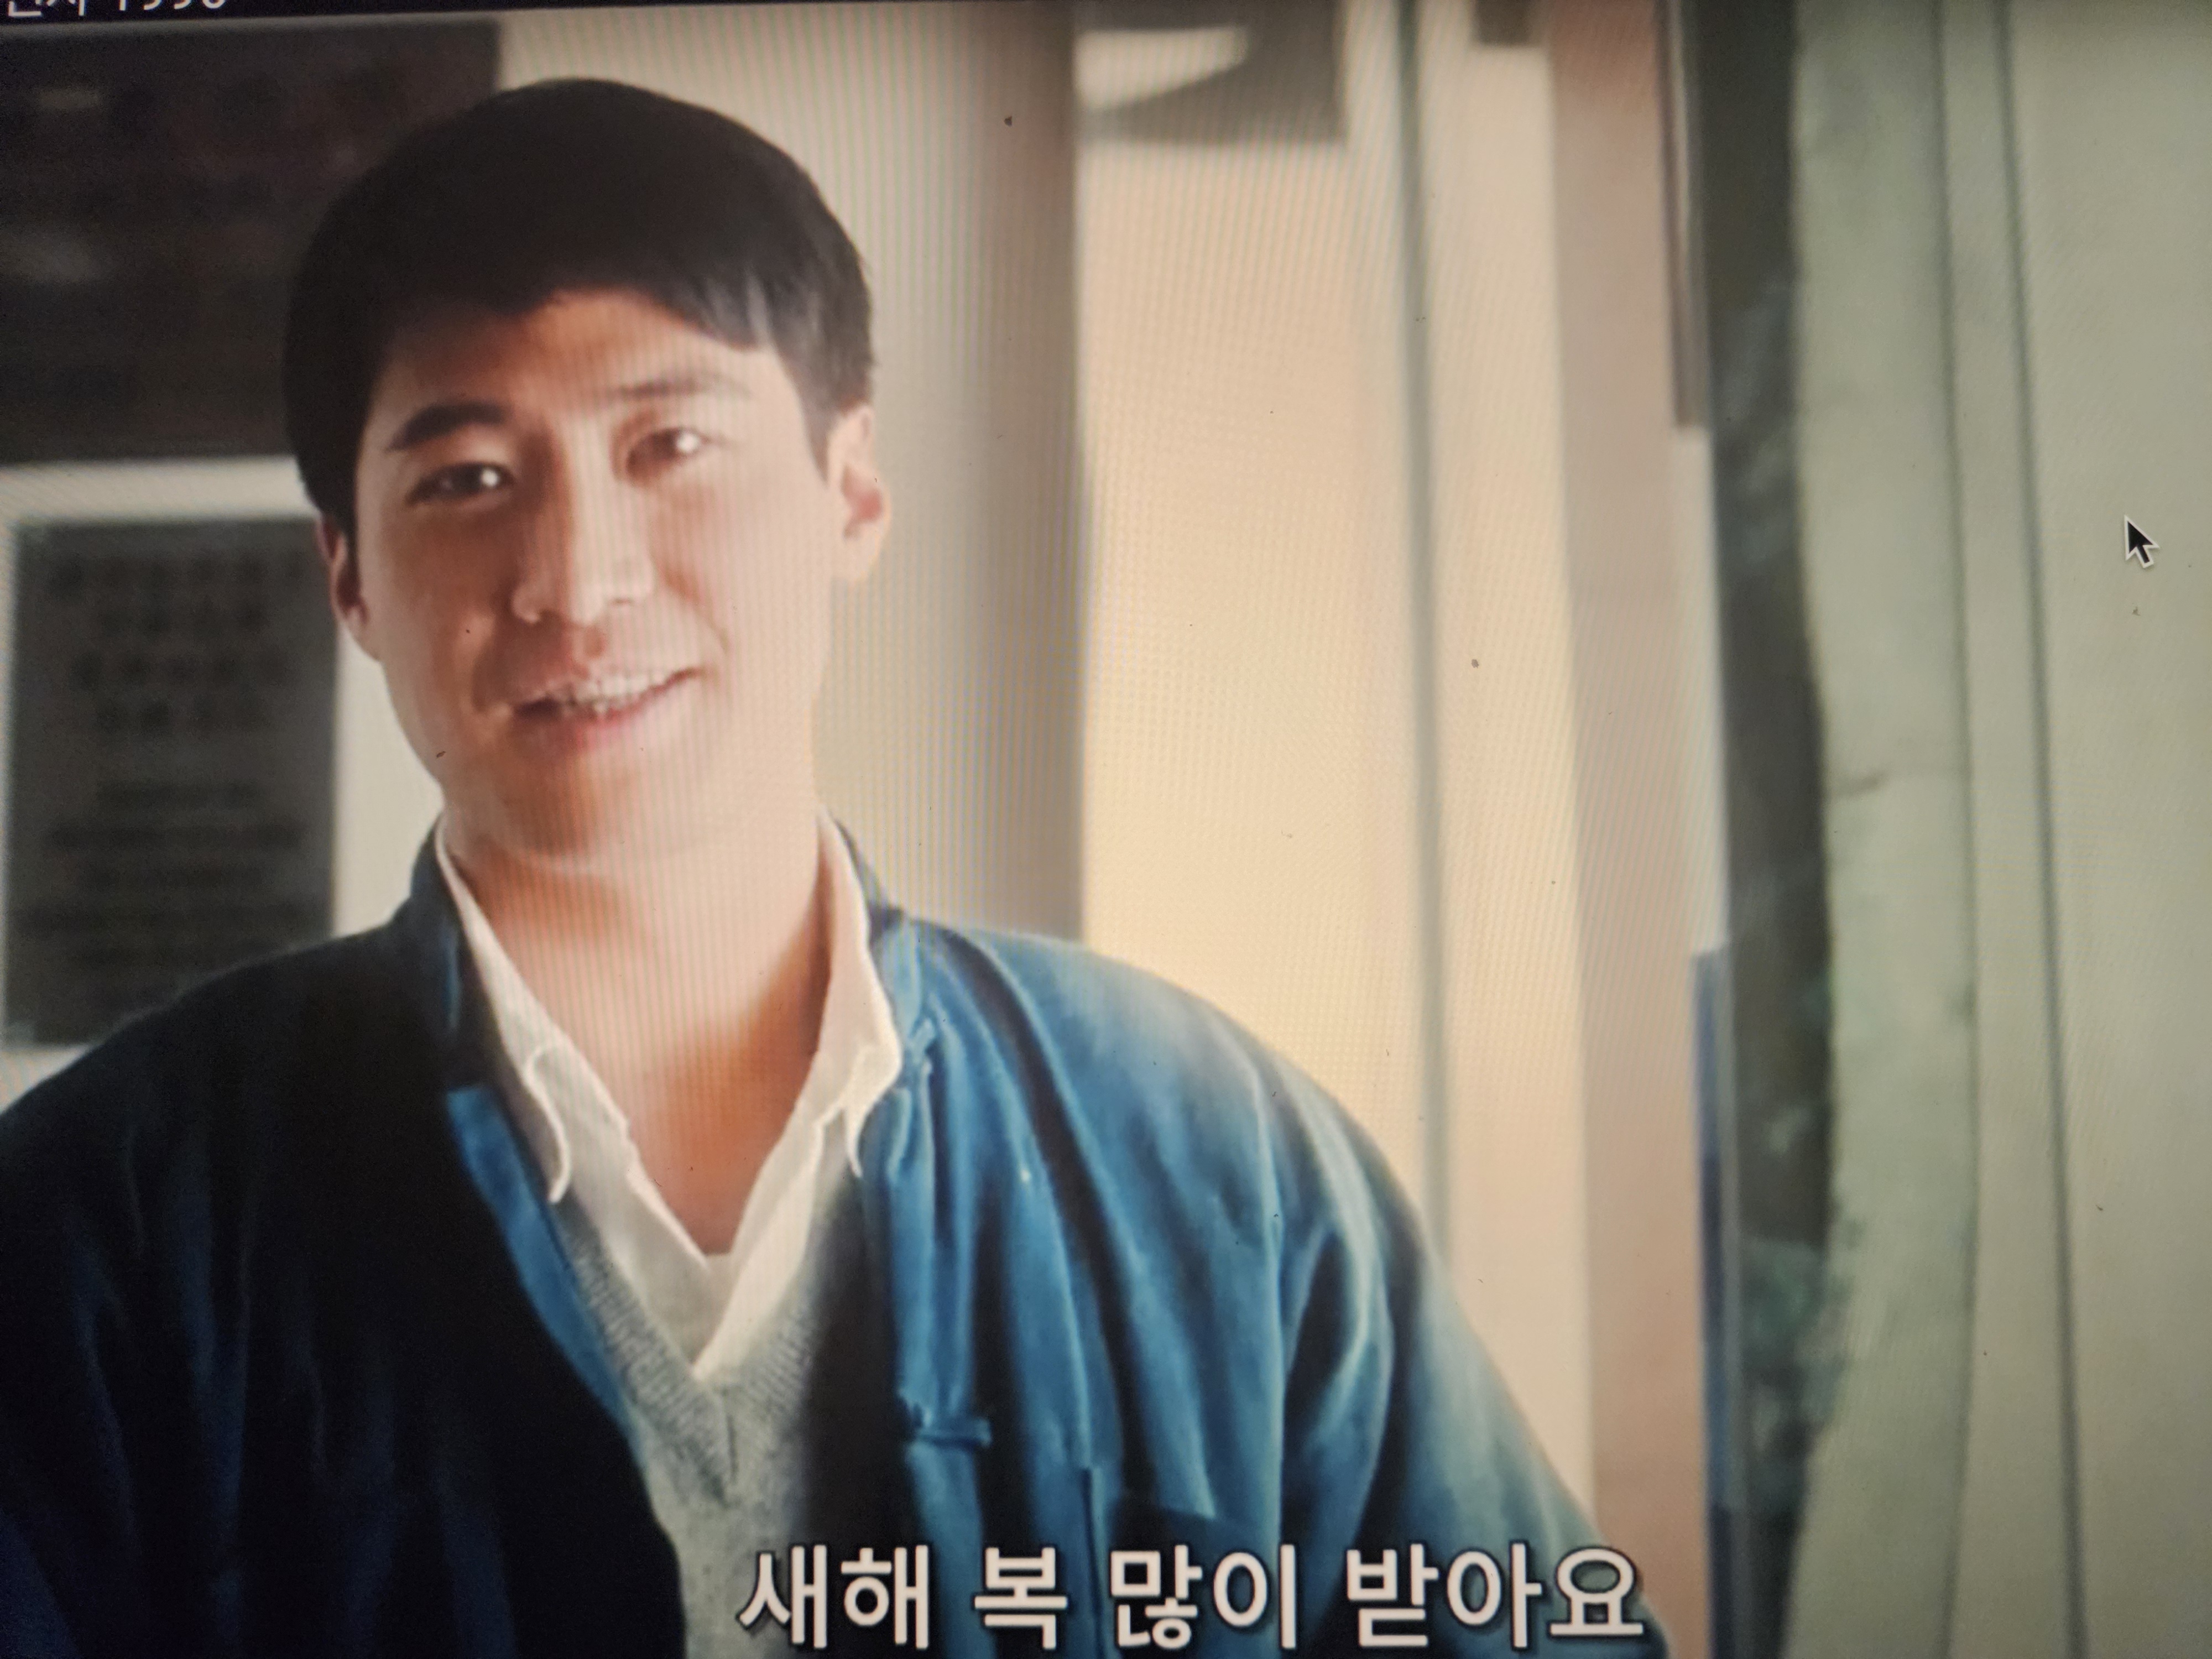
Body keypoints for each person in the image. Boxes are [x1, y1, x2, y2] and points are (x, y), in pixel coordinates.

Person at [0, 80, 1662, 1657]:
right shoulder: (102, 1224)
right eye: (470, 479)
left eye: (671, 446)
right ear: (351, 579)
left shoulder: (1217, 1156)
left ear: (849, 492)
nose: (577, 580)